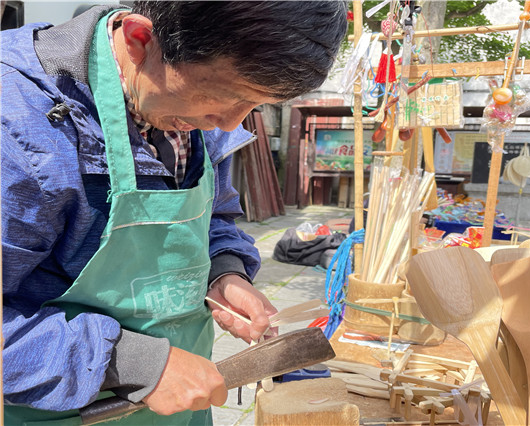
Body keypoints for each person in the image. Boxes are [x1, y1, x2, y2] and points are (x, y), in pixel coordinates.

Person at [1, 2, 347, 425]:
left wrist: (224, 272)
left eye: (254, 106)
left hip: (182, 408)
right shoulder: (15, 123)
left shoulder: (188, 108)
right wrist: (131, 362)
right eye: (225, 96)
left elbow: (214, 216)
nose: (228, 124)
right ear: (139, 39)